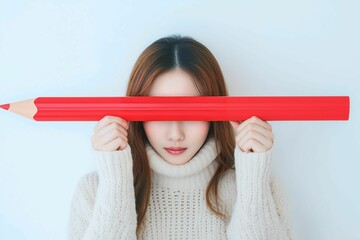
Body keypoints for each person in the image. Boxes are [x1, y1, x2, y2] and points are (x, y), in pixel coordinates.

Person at [67, 35, 291, 239]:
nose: (175, 134)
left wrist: (252, 177)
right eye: (158, 114)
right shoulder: (95, 190)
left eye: (192, 114)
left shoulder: (259, 186)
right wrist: (115, 179)